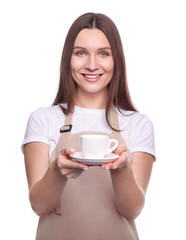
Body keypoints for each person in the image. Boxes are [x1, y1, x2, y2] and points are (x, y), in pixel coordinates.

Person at [22, 12, 155, 240]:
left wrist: (122, 168)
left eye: (103, 54)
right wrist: (58, 171)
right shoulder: (43, 119)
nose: (92, 65)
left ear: (116, 61)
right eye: (81, 53)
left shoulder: (138, 123)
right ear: (68, 59)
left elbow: (132, 210)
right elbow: (39, 205)